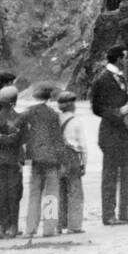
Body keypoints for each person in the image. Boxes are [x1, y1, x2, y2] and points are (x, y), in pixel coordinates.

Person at [89, 46, 128, 225]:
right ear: (118, 59)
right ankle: (108, 214)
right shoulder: (102, 79)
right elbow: (97, 108)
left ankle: (124, 212)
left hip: (124, 133)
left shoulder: (120, 77)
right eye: (125, 57)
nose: (127, 60)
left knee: (126, 174)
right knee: (110, 176)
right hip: (109, 134)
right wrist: (119, 111)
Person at [21, 85, 64, 238]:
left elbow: (16, 125)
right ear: (49, 98)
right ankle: (48, 229)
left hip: (35, 158)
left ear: (35, 96)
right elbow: (58, 139)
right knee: (51, 194)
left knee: (34, 194)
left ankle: (30, 229)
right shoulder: (54, 114)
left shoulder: (29, 112)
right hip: (52, 158)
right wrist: (61, 159)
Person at [0, 85, 24, 238]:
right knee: (14, 193)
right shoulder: (19, 119)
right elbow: (18, 140)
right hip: (14, 161)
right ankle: (13, 227)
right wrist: (6, 139)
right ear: (14, 101)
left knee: (1, 193)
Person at [56, 90, 86, 234]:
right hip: (72, 156)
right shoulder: (75, 121)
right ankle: (74, 226)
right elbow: (82, 145)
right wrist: (84, 163)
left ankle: (60, 224)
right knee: (75, 192)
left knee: (60, 191)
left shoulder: (55, 120)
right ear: (72, 105)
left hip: (58, 158)